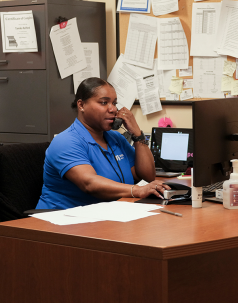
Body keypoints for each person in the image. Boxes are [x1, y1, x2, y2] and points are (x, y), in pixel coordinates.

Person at [36, 77, 170, 209]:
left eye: (114, 103)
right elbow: (89, 184)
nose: (112, 109)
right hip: (62, 221)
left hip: (106, 217)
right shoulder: (65, 141)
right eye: (104, 103)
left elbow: (147, 176)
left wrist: (137, 134)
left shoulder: (116, 138)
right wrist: (138, 190)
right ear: (81, 105)